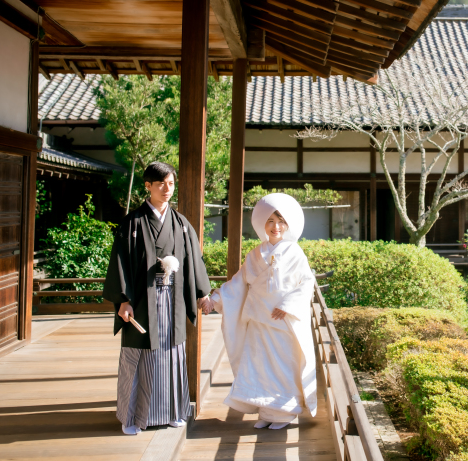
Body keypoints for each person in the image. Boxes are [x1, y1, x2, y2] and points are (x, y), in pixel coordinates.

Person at [103, 162, 211, 435]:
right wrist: (123, 300)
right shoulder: (133, 223)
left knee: (172, 354)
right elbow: (120, 262)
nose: (166, 189)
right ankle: (132, 417)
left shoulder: (182, 224)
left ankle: (174, 411)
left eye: (171, 183)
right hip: (141, 300)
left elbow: (194, 261)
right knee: (138, 355)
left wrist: (202, 293)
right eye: (160, 183)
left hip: (172, 298)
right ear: (148, 185)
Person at [200, 193, 317, 430]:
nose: (276, 227)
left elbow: (306, 283)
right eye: (271, 221)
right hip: (258, 320)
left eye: (281, 221)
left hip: (282, 321)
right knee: (259, 366)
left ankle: (284, 413)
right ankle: (266, 411)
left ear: (288, 225)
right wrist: (215, 299)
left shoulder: (295, 253)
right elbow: (238, 283)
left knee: (284, 366)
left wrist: (288, 305)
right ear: (263, 223)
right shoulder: (255, 253)